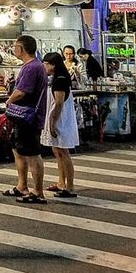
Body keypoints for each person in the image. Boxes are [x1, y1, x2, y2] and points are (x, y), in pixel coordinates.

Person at [4, 34, 49, 203]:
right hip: (24, 117)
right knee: (18, 150)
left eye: (16, 46)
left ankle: (38, 192)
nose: (14, 49)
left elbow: (22, 91)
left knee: (32, 153)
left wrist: (9, 100)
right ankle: (22, 185)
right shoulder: (32, 66)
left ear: (21, 49)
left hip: (29, 117)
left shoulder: (32, 68)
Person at [41, 52, 79, 197]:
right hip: (58, 118)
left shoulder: (60, 80)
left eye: (46, 64)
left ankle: (70, 187)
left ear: (53, 65)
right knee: (57, 152)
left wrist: (52, 122)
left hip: (61, 120)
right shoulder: (56, 78)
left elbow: (58, 103)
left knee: (64, 152)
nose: (44, 66)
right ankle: (61, 182)